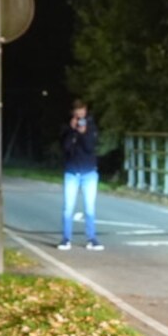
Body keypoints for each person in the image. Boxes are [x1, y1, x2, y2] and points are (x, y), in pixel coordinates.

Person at [58, 97, 101, 250]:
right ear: (73, 113)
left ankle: (92, 239)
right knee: (68, 208)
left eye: (82, 111)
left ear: (85, 111)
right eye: (77, 112)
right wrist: (72, 131)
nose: (80, 115)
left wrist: (83, 133)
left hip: (89, 172)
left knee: (90, 208)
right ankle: (66, 239)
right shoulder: (66, 127)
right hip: (71, 172)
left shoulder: (91, 126)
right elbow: (65, 147)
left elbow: (90, 147)